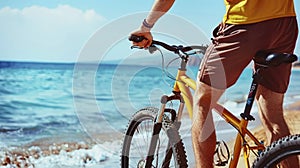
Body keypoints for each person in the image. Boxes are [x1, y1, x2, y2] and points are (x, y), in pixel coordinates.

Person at [130, 0, 298, 167]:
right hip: (285, 24)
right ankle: (281, 154)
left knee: (203, 101)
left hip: (244, 22)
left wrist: (146, 27)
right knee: (273, 114)